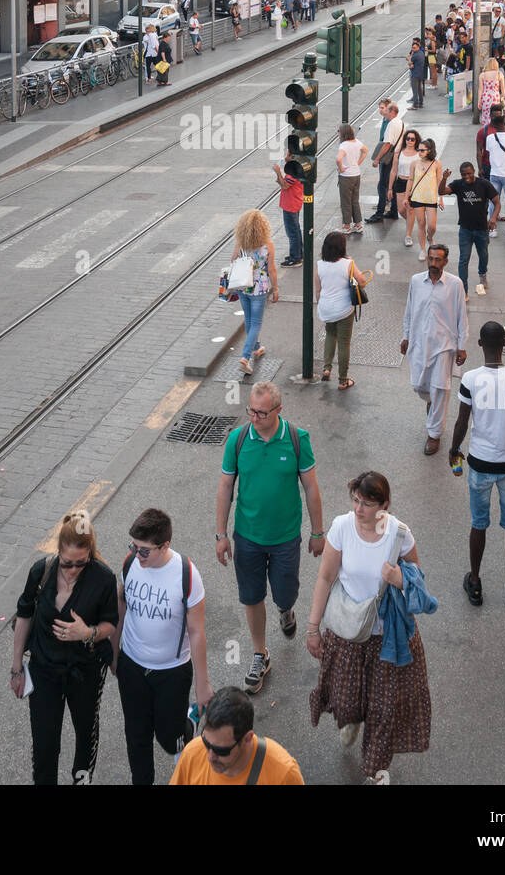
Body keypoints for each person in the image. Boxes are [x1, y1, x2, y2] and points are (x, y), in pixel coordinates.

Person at [307, 471, 433, 785]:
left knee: (385, 707)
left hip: (388, 637)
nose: (358, 509)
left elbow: (417, 585)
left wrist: (399, 579)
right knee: (347, 699)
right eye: (355, 500)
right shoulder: (341, 527)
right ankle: (351, 719)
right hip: (349, 631)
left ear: (384, 506)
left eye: (366, 503)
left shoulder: (400, 536)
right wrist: (312, 628)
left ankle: (375, 771)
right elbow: (325, 578)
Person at [216, 381, 323, 693]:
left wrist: (318, 532)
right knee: (251, 597)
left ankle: (286, 609)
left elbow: (311, 488)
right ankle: (260, 654)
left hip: (286, 538)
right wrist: (220, 534)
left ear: (278, 410)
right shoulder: (237, 440)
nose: (254, 417)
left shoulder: (296, 439)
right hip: (247, 536)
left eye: (262, 412)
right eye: (251, 410)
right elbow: (225, 488)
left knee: (284, 592)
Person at [13, 511, 118, 785]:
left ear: (91, 554)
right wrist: (16, 669)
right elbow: (24, 616)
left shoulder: (103, 578)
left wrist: (88, 632)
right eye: (67, 563)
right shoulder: (41, 571)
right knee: (45, 743)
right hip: (44, 669)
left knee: (85, 735)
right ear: (58, 552)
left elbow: (111, 624)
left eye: (80, 564)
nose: (72, 570)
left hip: (85, 671)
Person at [114, 507, 211, 786]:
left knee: (169, 740)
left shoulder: (186, 574)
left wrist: (202, 685)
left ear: (165, 545)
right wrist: (114, 649)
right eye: (134, 547)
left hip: (172, 671)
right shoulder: (131, 563)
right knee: (136, 735)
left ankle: (190, 721)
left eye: (144, 550)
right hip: (132, 665)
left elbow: (196, 630)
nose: (137, 554)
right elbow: (122, 604)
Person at [449, 323, 505, 610]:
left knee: (479, 524)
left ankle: (475, 582)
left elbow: (462, 422)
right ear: (504, 344)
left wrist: (454, 449)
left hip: (479, 463)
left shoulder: (471, 379)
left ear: (479, 344)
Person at [401, 243, 468, 455]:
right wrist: (406, 336)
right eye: (431, 259)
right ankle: (433, 409)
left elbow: (461, 317)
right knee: (422, 387)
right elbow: (409, 310)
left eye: (438, 260)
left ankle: (434, 435)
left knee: (440, 389)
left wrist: (462, 347)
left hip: (444, 347)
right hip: (420, 345)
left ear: (445, 262)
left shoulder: (455, 284)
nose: (433, 264)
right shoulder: (416, 281)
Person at [171, 687, 303, 784]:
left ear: (247, 738)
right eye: (206, 743)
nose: (210, 756)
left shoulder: (283, 774)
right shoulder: (192, 753)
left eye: (221, 750)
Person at [438, 161, 500, 298]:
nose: (466, 177)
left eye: (469, 174)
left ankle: (482, 273)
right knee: (463, 259)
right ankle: (463, 291)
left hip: (482, 229)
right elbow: (441, 191)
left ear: (474, 173)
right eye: (464, 174)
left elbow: (497, 202)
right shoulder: (458, 184)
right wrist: (444, 178)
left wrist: (494, 218)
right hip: (465, 229)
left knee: (483, 255)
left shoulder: (484, 184)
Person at [316, 230, 367, 390]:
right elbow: (363, 281)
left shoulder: (319, 265)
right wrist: (351, 263)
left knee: (330, 335)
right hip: (344, 309)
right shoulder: (348, 264)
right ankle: (343, 380)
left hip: (326, 308)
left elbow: (318, 291)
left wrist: (323, 306)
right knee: (344, 343)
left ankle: (326, 368)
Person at [230, 208, 279, 375]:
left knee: (249, 320)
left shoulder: (241, 243)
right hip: (259, 288)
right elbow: (271, 269)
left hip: (243, 286)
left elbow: (233, 260)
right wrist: (276, 288)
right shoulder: (268, 246)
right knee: (256, 323)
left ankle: (257, 348)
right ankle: (245, 357)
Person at [365, 99, 402, 224]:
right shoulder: (400, 122)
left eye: (385, 109)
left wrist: (377, 159)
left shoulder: (391, 124)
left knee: (382, 186)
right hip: (396, 157)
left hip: (388, 158)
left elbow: (387, 144)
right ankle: (393, 211)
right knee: (392, 185)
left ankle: (379, 214)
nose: (383, 111)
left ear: (391, 111)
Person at [407, 136, 443, 261]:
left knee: (432, 226)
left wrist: (441, 198)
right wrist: (407, 197)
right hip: (417, 197)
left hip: (431, 198)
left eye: (422, 150)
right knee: (421, 224)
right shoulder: (414, 163)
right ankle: (423, 249)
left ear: (429, 151)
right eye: (418, 149)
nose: (419, 152)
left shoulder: (436, 164)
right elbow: (410, 180)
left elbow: (440, 182)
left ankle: (430, 237)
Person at [389, 126, 422, 248]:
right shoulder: (399, 153)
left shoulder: (419, 154)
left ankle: (408, 235)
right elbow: (393, 170)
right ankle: (412, 222)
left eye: (412, 139)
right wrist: (390, 188)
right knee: (401, 210)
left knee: (410, 209)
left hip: (413, 184)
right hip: (400, 182)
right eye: (407, 138)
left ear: (416, 140)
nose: (409, 141)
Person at [335, 123, 368, 236]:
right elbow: (365, 151)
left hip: (346, 177)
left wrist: (341, 169)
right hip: (356, 175)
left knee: (345, 201)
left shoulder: (344, 145)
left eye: (338, 131)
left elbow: (338, 159)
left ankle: (347, 226)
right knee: (354, 200)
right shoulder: (357, 142)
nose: (337, 133)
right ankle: (358, 224)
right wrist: (358, 163)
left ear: (343, 133)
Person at [273, 152, 303, 267]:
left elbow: (285, 185)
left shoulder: (292, 173)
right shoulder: (296, 167)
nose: (286, 156)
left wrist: (278, 172)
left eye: (288, 154)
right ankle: (299, 253)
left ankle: (295, 258)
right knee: (296, 229)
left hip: (290, 205)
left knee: (292, 232)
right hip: (294, 203)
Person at [478, 56, 505, 129]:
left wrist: (479, 101)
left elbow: (480, 89)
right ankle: (495, 131)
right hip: (495, 97)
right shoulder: (499, 74)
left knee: (486, 116)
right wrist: (502, 98)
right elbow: (503, 88)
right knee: (496, 116)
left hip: (485, 97)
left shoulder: (482, 75)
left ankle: (486, 132)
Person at [407, 37, 427, 109]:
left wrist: (410, 57)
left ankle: (415, 105)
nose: (413, 49)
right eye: (412, 48)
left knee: (415, 90)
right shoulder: (421, 53)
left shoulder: (415, 55)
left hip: (415, 74)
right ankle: (420, 103)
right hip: (420, 73)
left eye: (414, 48)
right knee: (419, 89)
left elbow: (410, 63)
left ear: (418, 47)